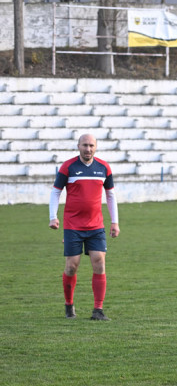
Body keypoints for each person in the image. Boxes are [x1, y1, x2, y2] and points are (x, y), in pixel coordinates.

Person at [49, 133, 119, 321]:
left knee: (99, 263)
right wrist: (53, 217)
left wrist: (114, 221)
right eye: (85, 145)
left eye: (91, 145)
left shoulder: (104, 167)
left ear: (96, 147)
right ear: (78, 146)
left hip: (96, 226)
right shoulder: (68, 167)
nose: (88, 149)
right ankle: (69, 305)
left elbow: (111, 195)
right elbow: (56, 192)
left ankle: (98, 310)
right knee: (72, 266)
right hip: (73, 225)